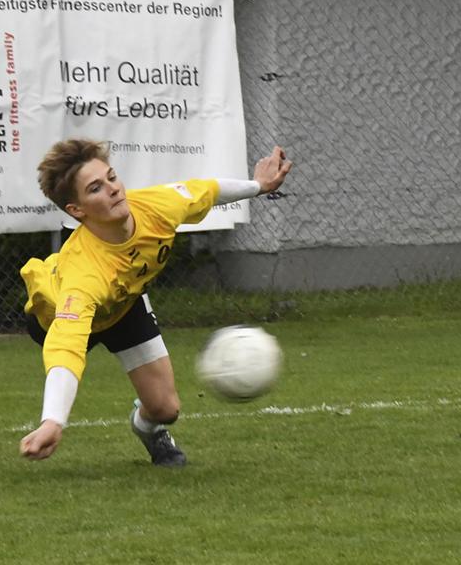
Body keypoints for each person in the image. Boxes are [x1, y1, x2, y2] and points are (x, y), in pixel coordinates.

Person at [18, 139, 292, 466]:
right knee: (69, 342)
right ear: (77, 210)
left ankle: (146, 427)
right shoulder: (84, 276)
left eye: (112, 177)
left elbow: (206, 191)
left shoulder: (155, 207)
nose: (113, 189)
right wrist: (53, 421)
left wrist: (258, 185)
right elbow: (66, 349)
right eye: (95, 189)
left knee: (166, 410)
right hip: (61, 319)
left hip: (124, 307)